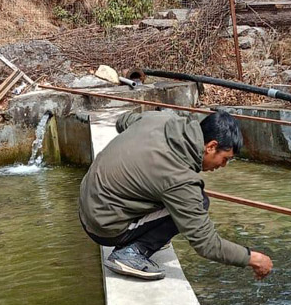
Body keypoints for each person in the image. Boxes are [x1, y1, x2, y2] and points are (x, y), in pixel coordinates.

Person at [78, 109, 274, 281]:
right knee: (201, 201)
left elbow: (123, 121)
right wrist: (253, 258)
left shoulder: (160, 119)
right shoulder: (181, 179)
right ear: (211, 146)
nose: (222, 166)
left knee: (179, 198)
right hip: (103, 226)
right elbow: (207, 244)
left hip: (86, 202)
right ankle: (131, 253)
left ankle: (143, 238)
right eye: (225, 159)